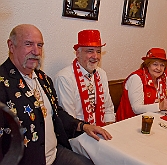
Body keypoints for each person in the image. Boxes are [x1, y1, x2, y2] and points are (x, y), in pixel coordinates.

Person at [0, 24, 112, 165]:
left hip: (55, 154)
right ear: (11, 46)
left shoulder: (44, 79)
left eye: (40, 45)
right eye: (28, 44)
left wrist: (84, 126)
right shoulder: (2, 83)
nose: (36, 51)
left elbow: (57, 114)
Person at [54, 30, 115, 127]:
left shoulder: (101, 74)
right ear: (78, 54)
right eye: (90, 51)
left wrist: (109, 129)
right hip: (78, 134)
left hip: (101, 128)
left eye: (98, 52)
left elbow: (108, 108)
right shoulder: (64, 78)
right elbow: (69, 121)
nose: (95, 56)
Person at [116, 48, 167, 121]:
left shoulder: (163, 77)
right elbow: (136, 109)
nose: (159, 68)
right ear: (147, 64)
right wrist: (159, 106)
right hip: (129, 122)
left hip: (153, 119)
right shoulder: (136, 78)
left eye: (162, 65)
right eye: (155, 64)